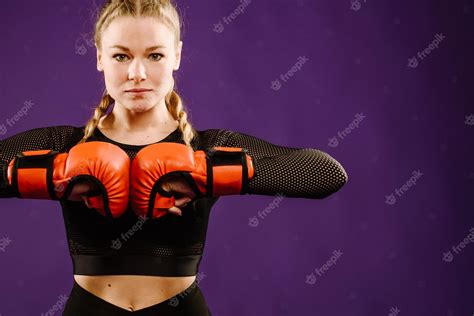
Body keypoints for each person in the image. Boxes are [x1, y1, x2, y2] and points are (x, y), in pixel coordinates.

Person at [0, 0, 349, 315]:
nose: (137, 74)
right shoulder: (67, 144)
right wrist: (55, 177)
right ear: (99, 56)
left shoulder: (205, 149)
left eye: (155, 55)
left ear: (177, 55)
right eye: (121, 56)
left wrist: (203, 174)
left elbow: (327, 174)